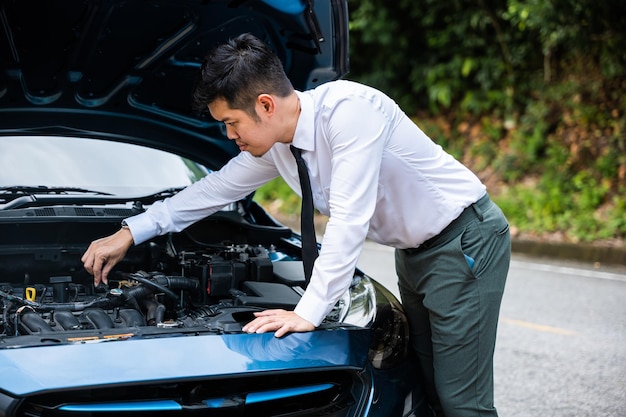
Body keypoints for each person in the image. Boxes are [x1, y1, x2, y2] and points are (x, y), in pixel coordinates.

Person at [81, 33, 511, 417]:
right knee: (429, 387)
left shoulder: (349, 113)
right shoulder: (279, 146)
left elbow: (347, 221)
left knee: (462, 403)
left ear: (265, 105)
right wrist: (130, 231)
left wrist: (308, 311)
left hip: (463, 241)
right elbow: (213, 190)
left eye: (231, 122)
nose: (230, 135)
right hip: (415, 253)